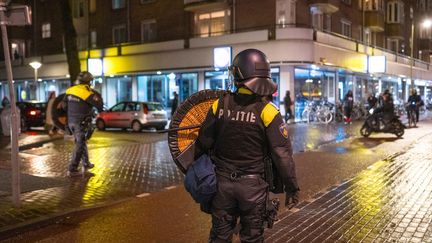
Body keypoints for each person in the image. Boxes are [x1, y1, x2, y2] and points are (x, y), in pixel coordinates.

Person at [196, 49, 299, 242]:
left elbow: (202, 144)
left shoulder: (219, 105)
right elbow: (282, 155)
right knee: (252, 237)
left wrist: (199, 176)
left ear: (238, 74)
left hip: (222, 186)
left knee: (219, 236)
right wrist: (292, 187)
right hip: (253, 188)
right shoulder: (268, 111)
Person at [64, 71, 103, 176]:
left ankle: (86, 163)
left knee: (81, 141)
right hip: (80, 123)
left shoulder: (70, 91)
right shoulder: (87, 93)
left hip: (71, 122)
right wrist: (97, 95)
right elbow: (100, 106)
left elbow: (64, 106)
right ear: (89, 82)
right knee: (80, 144)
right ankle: (72, 168)